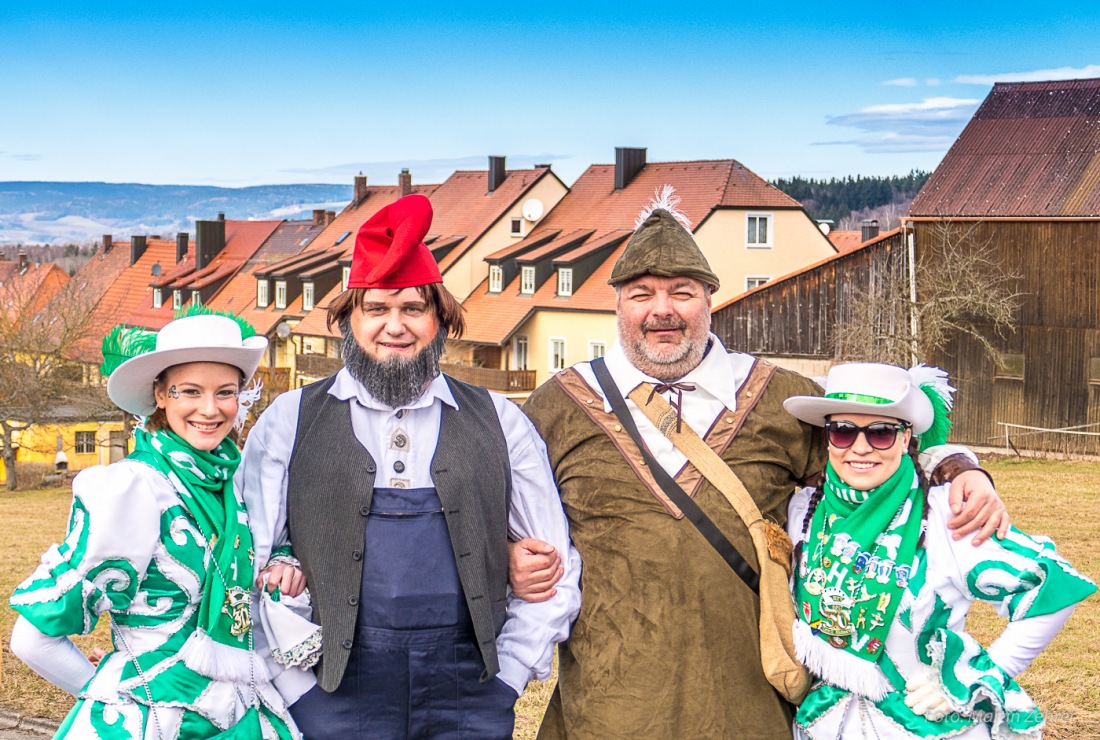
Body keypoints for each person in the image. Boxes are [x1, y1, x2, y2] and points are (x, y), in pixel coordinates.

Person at [513, 189, 1010, 738]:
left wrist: (961, 467)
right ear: (618, 305)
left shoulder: (783, 399)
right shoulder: (558, 406)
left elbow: (881, 450)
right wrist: (511, 557)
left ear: (709, 299)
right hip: (607, 706)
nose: (662, 310)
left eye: (682, 292)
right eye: (640, 294)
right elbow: (499, 508)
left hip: (750, 704)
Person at [239, 193, 581, 739]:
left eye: (412, 309)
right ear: (348, 321)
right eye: (376, 308)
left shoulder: (500, 421)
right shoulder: (289, 420)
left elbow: (555, 566)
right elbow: (245, 563)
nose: (393, 326)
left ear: (439, 320)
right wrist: (292, 686)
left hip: (467, 696)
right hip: (329, 691)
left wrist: (509, 677)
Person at [9, 311, 302, 738]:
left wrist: (281, 558)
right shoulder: (132, 488)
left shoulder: (232, 483)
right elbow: (31, 638)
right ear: (160, 395)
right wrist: (113, 697)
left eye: (225, 392)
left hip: (243, 714)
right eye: (190, 391)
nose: (210, 408)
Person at [784, 362, 1095, 738]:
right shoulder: (804, 511)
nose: (860, 448)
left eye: (881, 432)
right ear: (827, 438)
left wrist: (974, 676)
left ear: (904, 438)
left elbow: (1053, 585)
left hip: (925, 726)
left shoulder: (947, 514)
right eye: (843, 431)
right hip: (824, 723)